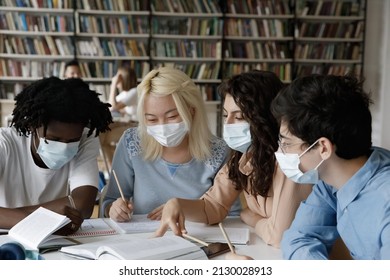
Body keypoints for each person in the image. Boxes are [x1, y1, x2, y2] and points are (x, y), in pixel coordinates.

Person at [154, 70, 313, 257]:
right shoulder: (243, 156)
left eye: (239, 117)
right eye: (225, 115)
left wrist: (252, 218)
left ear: (265, 118)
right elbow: (213, 207)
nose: (228, 124)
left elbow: (279, 236)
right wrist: (178, 204)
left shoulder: (288, 162)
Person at [271, 74, 390, 260]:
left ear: (323, 148)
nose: (279, 152)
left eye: (287, 144)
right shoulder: (330, 181)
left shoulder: (385, 201)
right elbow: (298, 238)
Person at [101, 66, 239, 221]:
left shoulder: (219, 151)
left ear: (192, 110)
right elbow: (109, 201)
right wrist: (113, 210)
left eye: (172, 116)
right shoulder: (131, 142)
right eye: (152, 119)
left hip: (198, 240)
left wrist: (186, 210)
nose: (162, 126)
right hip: (144, 240)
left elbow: (232, 215)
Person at [0, 76, 113, 235]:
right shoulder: (5, 143)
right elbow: (74, 208)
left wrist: (8, 215)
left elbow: (83, 206)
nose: (64, 147)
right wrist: (47, 219)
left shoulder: (86, 138)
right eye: (54, 139)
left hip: (54, 239)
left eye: (72, 140)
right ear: (33, 126)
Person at [99, 66, 139, 170]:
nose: (116, 79)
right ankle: (112, 167)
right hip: (129, 123)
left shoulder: (135, 91)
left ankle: (112, 168)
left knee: (102, 139)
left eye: (118, 77)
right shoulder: (125, 94)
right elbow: (107, 106)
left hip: (138, 127)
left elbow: (112, 107)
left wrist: (112, 86)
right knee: (100, 132)